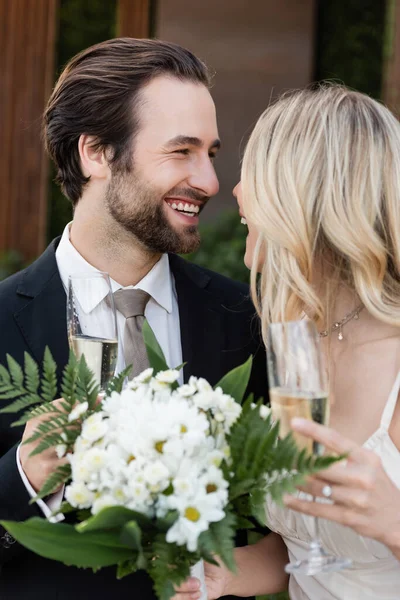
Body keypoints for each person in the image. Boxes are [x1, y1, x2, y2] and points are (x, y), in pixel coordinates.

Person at [0, 38, 267, 600]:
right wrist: (25, 475)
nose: (210, 182)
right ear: (96, 152)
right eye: (181, 151)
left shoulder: (247, 321)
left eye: (211, 154)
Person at [175, 84, 400, 600]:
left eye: (254, 172)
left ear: (304, 192)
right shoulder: (293, 340)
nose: (233, 191)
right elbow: (314, 552)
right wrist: (229, 572)